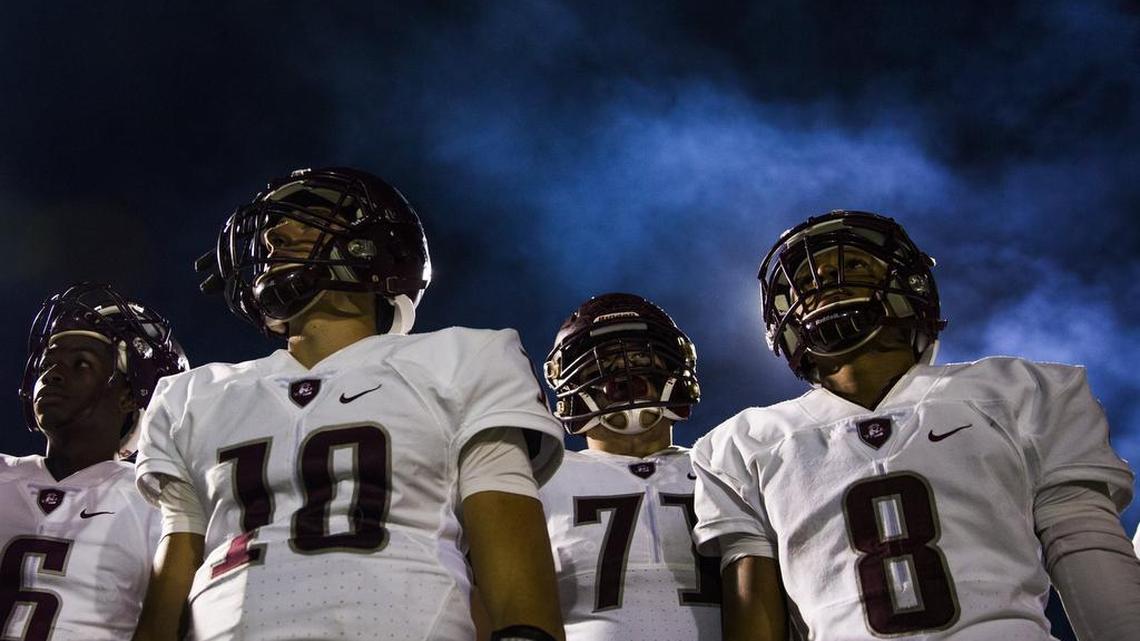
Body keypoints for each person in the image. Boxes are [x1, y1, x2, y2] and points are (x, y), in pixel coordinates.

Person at [132, 167, 566, 641]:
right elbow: (172, 581)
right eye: (272, 229)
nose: (277, 236)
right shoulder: (191, 395)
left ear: (379, 243)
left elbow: (513, 575)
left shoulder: (463, 358)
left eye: (310, 218)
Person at [690, 210, 1140, 641]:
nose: (826, 281)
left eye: (853, 265)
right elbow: (758, 617)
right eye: (808, 281)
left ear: (911, 284)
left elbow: (1084, 547)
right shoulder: (742, 444)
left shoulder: (1021, 391)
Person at [2, 282, 187, 640]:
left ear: (128, 397)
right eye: (48, 363)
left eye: (80, 364)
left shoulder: (159, 504)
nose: (51, 375)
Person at [541, 292, 720, 640]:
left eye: (641, 360)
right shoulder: (543, 478)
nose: (624, 377)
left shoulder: (723, 464)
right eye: (604, 368)